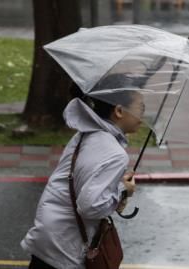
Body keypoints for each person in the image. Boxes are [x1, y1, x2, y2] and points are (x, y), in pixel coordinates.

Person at [21, 73, 145, 269]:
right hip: (65, 249)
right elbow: (90, 206)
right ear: (119, 111)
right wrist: (123, 190)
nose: (143, 114)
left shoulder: (85, 133)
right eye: (141, 107)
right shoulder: (115, 153)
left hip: (48, 237)